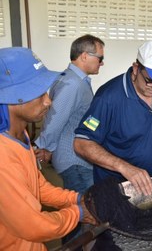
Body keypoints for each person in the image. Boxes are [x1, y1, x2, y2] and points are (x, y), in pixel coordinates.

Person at [73, 39, 152, 247]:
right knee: (114, 244)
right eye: (151, 81)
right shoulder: (109, 97)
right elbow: (82, 143)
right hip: (117, 196)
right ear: (136, 68)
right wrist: (124, 167)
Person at [0, 47, 96, 251]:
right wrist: (78, 213)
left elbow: (38, 186)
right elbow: (33, 226)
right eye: (38, 93)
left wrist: (77, 198)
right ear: (12, 97)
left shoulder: (20, 134)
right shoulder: (2, 156)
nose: (48, 101)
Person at [33, 34, 104, 243]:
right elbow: (56, 117)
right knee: (83, 214)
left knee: (80, 215)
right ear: (84, 56)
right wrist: (44, 148)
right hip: (75, 160)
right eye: (99, 58)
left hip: (76, 158)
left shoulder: (72, 80)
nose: (102, 62)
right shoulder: (73, 84)